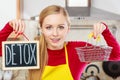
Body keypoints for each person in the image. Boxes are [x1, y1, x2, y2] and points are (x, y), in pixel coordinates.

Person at [0, 5, 120, 80]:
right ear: (41, 29)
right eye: (49, 27)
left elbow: (116, 55)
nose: (55, 33)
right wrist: (8, 27)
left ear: (68, 28)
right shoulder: (32, 50)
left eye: (61, 27)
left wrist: (105, 30)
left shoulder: (78, 50)